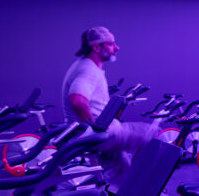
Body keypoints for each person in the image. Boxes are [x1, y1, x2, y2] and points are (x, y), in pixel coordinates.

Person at [62, 26, 152, 180]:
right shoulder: (88, 69)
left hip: (97, 133)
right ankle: (144, 180)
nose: (116, 48)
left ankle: (130, 187)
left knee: (124, 171)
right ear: (96, 47)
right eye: (110, 44)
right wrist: (95, 128)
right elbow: (77, 100)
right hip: (97, 136)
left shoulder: (85, 65)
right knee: (151, 133)